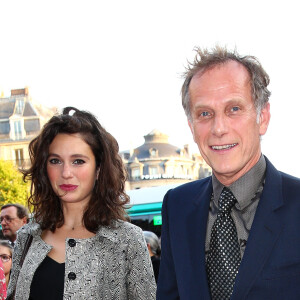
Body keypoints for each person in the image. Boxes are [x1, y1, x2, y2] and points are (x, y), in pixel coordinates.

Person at [156, 46, 300, 300]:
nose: (218, 128)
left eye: (234, 109)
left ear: (262, 117)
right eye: (204, 114)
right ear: (191, 126)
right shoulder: (177, 205)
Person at [7, 107, 156, 300]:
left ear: (99, 168)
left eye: (78, 161)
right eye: (55, 161)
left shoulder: (127, 240)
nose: (66, 172)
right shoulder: (28, 236)